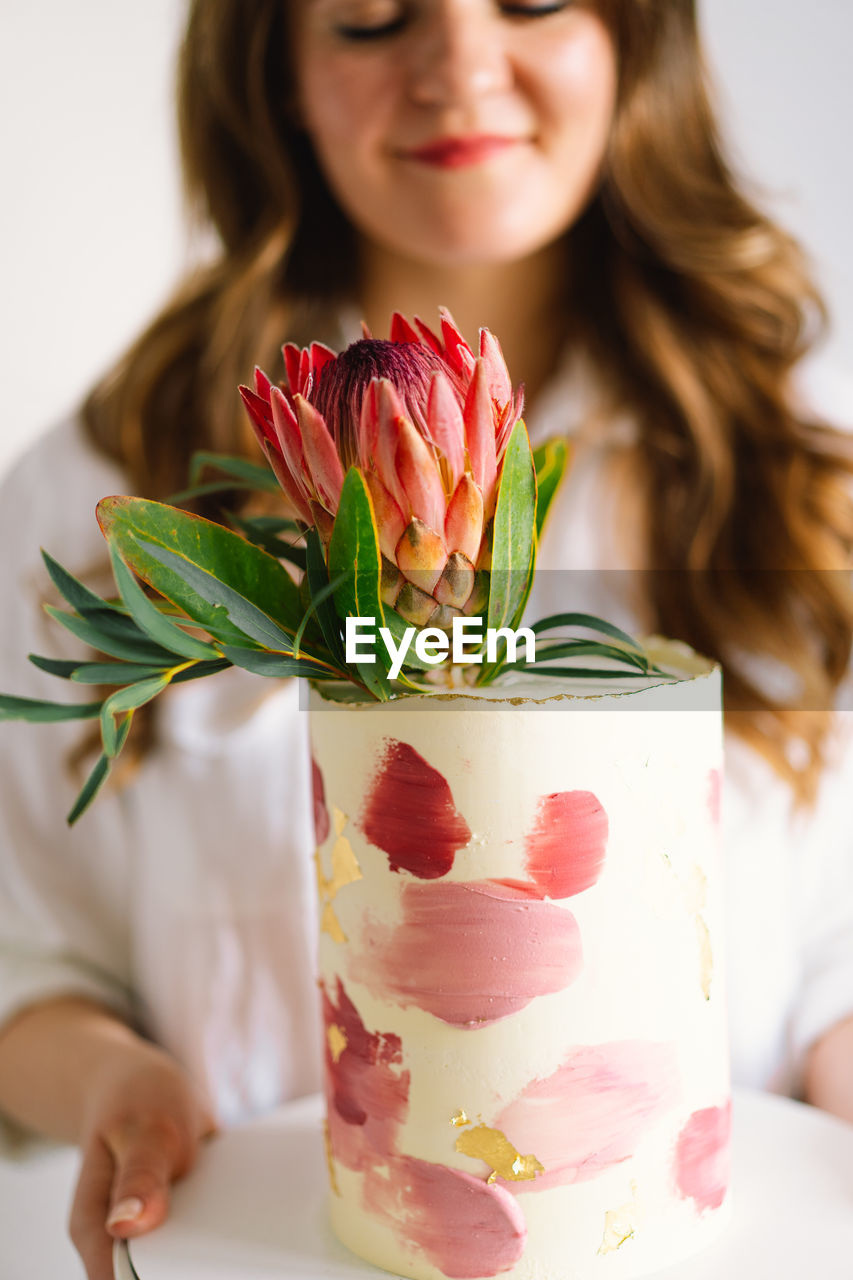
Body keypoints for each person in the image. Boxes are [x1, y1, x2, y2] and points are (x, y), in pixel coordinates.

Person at [0, 2, 852, 1279]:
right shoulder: (101, 498)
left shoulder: (795, 480)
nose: (457, 64)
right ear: (275, 74)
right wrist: (121, 1084)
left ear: (632, 39)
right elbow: (25, 955)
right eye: (367, 16)